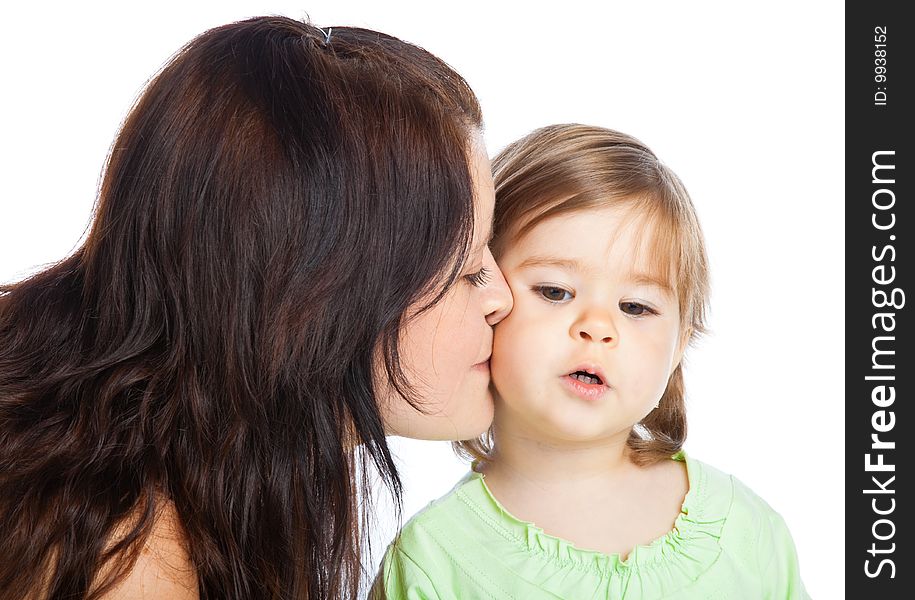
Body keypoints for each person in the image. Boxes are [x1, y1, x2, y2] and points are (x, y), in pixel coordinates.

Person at [0, 16, 512, 600]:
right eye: (467, 267)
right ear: (324, 294)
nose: (501, 296)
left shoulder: (220, 467)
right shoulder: (133, 569)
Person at [377, 124, 810, 599]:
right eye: (555, 292)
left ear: (679, 344)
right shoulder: (432, 561)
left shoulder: (744, 532)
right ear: (489, 292)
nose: (597, 327)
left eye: (636, 307)